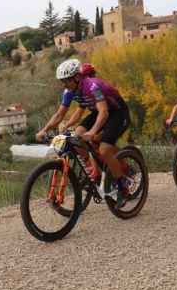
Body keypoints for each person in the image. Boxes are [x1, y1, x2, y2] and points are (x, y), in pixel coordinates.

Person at [36, 59, 132, 208]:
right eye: (62, 81)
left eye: (66, 80)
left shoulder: (92, 86)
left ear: (77, 77)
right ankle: (92, 172)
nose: (64, 84)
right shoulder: (69, 92)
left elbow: (104, 111)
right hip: (98, 113)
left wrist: (93, 131)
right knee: (76, 138)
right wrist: (44, 129)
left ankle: (122, 185)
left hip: (117, 113)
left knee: (104, 149)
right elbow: (59, 115)